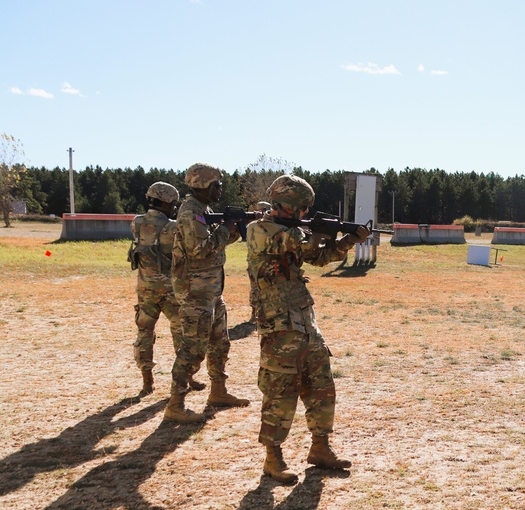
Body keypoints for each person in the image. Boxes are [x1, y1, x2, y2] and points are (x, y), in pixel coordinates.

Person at [246, 174, 370, 484]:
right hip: (278, 323)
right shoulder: (259, 229)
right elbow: (296, 245)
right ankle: (273, 458)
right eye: (302, 209)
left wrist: (348, 240)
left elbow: (318, 257)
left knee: (321, 383)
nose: (304, 214)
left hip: (303, 319)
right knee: (280, 390)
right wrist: (319, 231)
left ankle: (320, 447)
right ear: (289, 206)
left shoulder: (297, 231)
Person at [163, 163, 248, 423]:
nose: (220, 189)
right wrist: (226, 228)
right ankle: (175, 405)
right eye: (217, 185)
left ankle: (218, 392)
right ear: (203, 185)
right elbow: (200, 249)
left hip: (210, 290)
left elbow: (215, 245)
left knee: (220, 342)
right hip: (195, 292)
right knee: (193, 348)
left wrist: (234, 228)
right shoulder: (190, 213)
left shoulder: (204, 210)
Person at [129, 182, 207, 396]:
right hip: (171, 290)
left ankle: (147, 381)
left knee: (144, 332)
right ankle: (186, 378)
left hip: (145, 289)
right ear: (168, 202)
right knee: (181, 334)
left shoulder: (136, 223)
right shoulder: (172, 227)